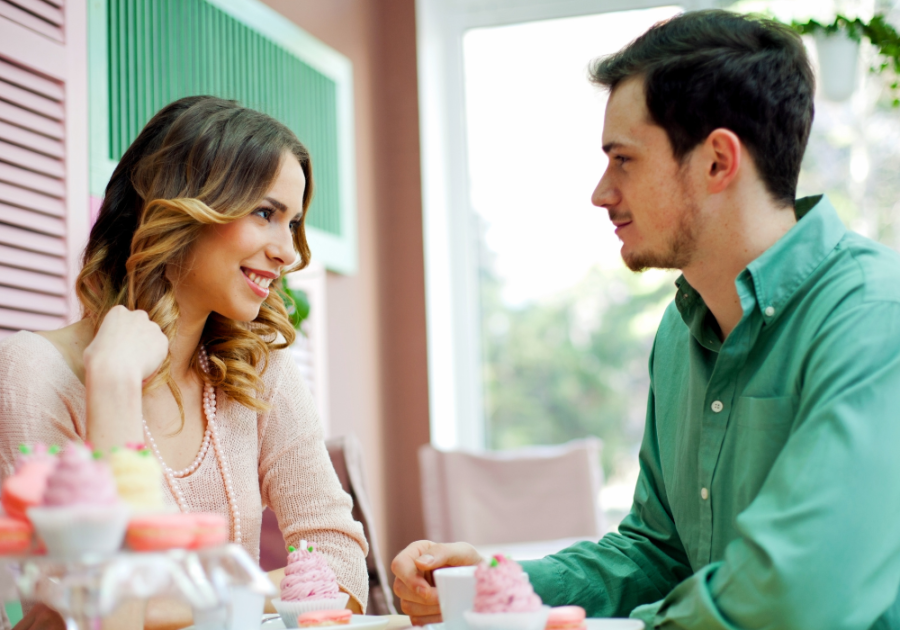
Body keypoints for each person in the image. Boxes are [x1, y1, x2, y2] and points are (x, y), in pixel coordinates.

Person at [393, 10, 900, 630]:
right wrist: (501, 585)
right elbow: (659, 552)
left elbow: (798, 591)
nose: (601, 192)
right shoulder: (679, 332)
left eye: (623, 160)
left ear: (717, 161)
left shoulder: (875, 317)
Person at [0, 96, 368, 629]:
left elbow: (343, 568)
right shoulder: (34, 371)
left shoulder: (255, 372)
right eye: (265, 213)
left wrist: (198, 598)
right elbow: (103, 613)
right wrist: (113, 391)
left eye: (292, 223)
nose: (287, 251)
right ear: (183, 207)